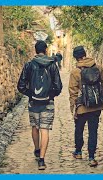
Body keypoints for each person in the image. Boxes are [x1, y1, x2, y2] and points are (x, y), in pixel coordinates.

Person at [17, 40, 62, 170]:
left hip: (33, 102)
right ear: (46, 50)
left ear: (35, 50)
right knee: (45, 129)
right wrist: (50, 95)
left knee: (35, 127)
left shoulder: (29, 65)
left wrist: (31, 94)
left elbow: (20, 85)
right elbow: (58, 86)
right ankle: (42, 160)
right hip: (48, 102)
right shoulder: (52, 65)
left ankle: (37, 150)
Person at [68, 46, 103, 167]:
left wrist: (73, 109)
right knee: (93, 131)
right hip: (96, 106)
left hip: (81, 107)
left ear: (76, 58)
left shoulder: (75, 71)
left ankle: (78, 152)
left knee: (79, 129)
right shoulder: (98, 68)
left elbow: (73, 92)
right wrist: (101, 101)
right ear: (85, 54)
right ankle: (91, 157)